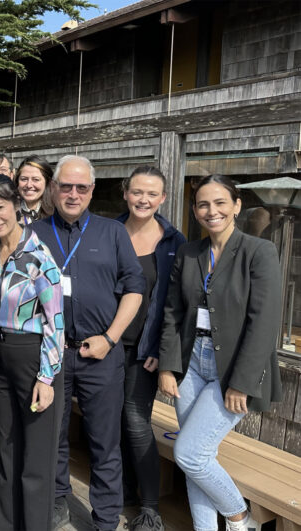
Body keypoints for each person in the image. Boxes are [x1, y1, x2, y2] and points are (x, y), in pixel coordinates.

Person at [158, 174, 282, 531]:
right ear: (195, 211)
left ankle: (241, 518)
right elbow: (172, 312)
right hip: (190, 361)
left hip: (233, 367)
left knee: (189, 453)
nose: (211, 211)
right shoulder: (189, 252)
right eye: (202, 204)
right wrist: (168, 366)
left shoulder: (259, 252)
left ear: (237, 206)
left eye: (220, 202)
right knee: (197, 458)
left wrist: (241, 382)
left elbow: (264, 323)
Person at [32, 155, 144, 531]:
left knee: (104, 442)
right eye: (66, 186)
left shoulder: (112, 232)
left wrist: (110, 339)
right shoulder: (34, 233)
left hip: (101, 355)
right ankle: (58, 500)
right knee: (54, 437)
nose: (73, 193)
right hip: (52, 355)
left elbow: (134, 288)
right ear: (53, 189)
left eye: (82, 187)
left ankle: (106, 519)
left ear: (92, 191)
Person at [0, 174, 65, 530]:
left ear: (16, 204)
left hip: (34, 358)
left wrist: (47, 377)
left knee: (36, 458)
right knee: (7, 449)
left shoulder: (39, 257)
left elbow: (56, 322)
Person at [115, 166, 185, 531]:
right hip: (108, 345)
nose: (143, 199)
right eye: (137, 192)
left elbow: (178, 303)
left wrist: (164, 348)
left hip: (146, 349)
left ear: (162, 198)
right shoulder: (108, 231)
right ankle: (123, 489)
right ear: (126, 193)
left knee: (136, 420)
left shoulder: (174, 242)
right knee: (111, 420)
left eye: (151, 193)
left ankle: (150, 507)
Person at [15, 156, 54, 225]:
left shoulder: (57, 213)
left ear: (47, 182)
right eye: (24, 179)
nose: (29, 185)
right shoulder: (9, 212)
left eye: (36, 179)